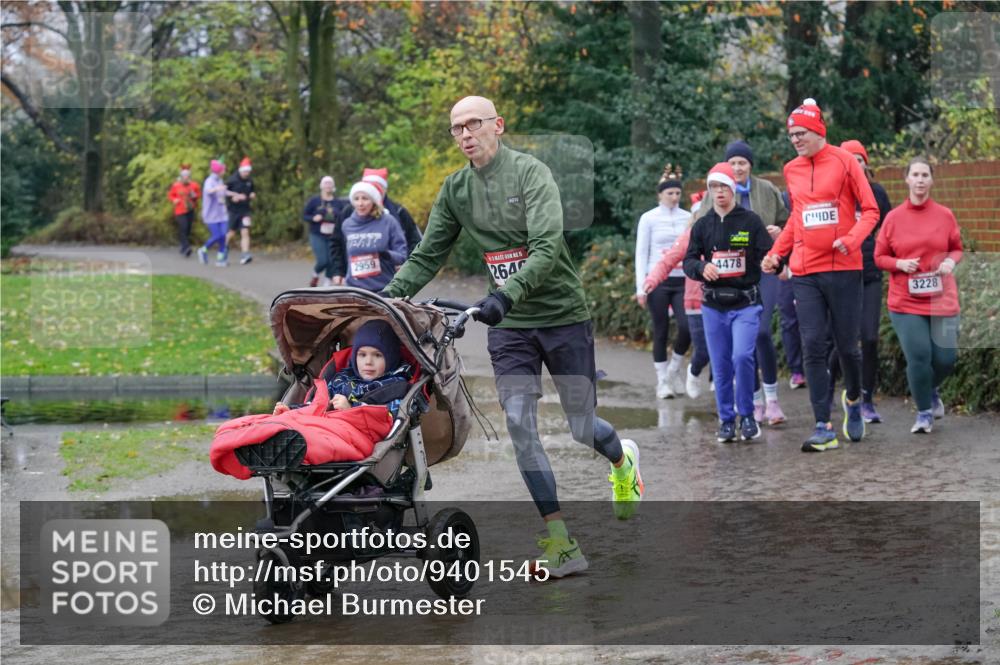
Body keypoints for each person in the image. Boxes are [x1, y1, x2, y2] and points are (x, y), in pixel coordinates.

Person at [381, 95, 643, 578]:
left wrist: (509, 292)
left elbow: (546, 247)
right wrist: (385, 302)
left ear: (497, 126)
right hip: (511, 329)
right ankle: (561, 543)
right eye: (456, 128)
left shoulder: (531, 174)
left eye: (473, 124)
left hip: (562, 315)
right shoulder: (456, 190)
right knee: (521, 426)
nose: (464, 134)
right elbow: (425, 255)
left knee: (583, 427)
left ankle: (621, 459)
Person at [761, 98, 879, 452]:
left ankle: (854, 400)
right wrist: (776, 253)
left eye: (801, 133)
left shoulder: (844, 161)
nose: (795, 139)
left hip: (845, 267)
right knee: (813, 343)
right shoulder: (791, 169)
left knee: (847, 348)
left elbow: (870, 210)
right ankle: (822, 425)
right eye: (791, 135)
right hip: (806, 269)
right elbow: (798, 217)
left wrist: (852, 238)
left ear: (817, 131)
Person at [684, 163, 773, 443]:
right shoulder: (702, 224)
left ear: (733, 188)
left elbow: (768, 254)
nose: (719, 192)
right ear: (709, 191)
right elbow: (688, 261)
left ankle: (747, 415)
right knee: (721, 365)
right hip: (713, 306)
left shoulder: (750, 221)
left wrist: (775, 260)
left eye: (724, 186)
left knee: (742, 357)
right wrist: (702, 269)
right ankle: (726, 420)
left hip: (745, 303)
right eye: (714, 187)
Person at [874, 158, 962, 434]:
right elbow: (879, 257)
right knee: (920, 356)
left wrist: (950, 262)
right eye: (916, 175)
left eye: (925, 175)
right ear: (907, 179)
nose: (921, 179)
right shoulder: (894, 218)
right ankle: (924, 412)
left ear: (932, 180)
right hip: (906, 301)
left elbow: (956, 248)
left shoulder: (945, 215)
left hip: (942, 297)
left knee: (946, 359)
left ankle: (928, 387)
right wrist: (899, 264)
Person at [724, 140, 790, 426]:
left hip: (766, 267)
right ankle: (754, 400)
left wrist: (780, 231)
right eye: (733, 163)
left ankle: (773, 398)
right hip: (735, 274)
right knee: (743, 341)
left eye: (742, 163)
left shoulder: (767, 189)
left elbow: (788, 222)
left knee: (762, 332)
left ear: (750, 165)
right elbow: (700, 226)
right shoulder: (720, 190)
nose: (738, 168)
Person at [827, 140, 893, 423]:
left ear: (865, 163)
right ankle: (828, 389)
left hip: (869, 273)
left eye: (860, 159)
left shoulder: (876, 192)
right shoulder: (836, 193)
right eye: (849, 158)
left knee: (868, 337)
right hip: (841, 274)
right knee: (843, 341)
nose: (855, 163)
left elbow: (891, 227)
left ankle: (866, 400)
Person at [273, 320, 413, 418]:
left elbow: (389, 417)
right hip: (325, 425)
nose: (368, 362)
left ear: (391, 359)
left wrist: (352, 409)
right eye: (362, 355)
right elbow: (316, 405)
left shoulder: (396, 387)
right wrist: (291, 410)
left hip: (357, 435)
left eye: (377, 355)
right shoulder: (341, 379)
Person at [635, 166, 692, 398]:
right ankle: (662, 382)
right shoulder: (648, 218)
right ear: (660, 195)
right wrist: (641, 286)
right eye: (670, 193)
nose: (674, 197)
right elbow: (641, 252)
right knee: (660, 330)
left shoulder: (688, 217)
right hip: (657, 280)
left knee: (687, 328)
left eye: (678, 193)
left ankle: (674, 370)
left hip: (682, 280)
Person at [640, 207, 710, 399]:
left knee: (726, 351)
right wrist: (648, 281)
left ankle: (729, 400)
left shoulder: (728, 229)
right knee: (702, 350)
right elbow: (666, 260)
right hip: (693, 298)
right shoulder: (689, 235)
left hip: (721, 301)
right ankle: (685, 373)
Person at [340, 180, 408, 293]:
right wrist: (339, 274)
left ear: (374, 201)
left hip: (383, 288)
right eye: (356, 199)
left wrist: (386, 254)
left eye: (365, 198)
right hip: (354, 288)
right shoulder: (347, 224)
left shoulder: (388, 221)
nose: (360, 203)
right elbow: (347, 255)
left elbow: (402, 255)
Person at [302, 175, 348, 287]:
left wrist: (337, 216)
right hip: (317, 234)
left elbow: (344, 218)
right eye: (325, 183)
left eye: (330, 183)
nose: (328, 186)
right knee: (323, 260)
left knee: (332, 260)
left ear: (333, 186)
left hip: (333, 235)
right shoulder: (314, 201)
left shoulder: (338, 202)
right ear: (321, 186)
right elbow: (304, 216)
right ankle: (315, 274)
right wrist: (313, 218)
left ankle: (326, 285)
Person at [198, 160, 229, 267]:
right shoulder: (209, 181)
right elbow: (208, 191)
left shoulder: (220, 180)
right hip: (211, 215)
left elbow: (224, 192)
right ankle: (203, 249)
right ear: (218, 171)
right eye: (223, 170)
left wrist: (236, 195)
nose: (224, 171)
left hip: (222, 214)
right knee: (217, 235)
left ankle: (220, 259)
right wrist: (216, 188)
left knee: (224, 235)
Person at [225, 156, 256, 265]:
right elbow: (224, 192)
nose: (246, 174)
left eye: (248, 172)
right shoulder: (232, 180)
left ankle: (245, 254)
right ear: (241, 170)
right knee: (231, 232)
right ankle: (223, 249)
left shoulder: (250, 181)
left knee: (245, 231)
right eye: (245, 172)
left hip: (245, 210)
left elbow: (252, 191)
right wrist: (232, 198)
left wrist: (252, 194)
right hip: (233, 210)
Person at [168, 164, 201, 257]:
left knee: (188, 229)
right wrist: (174, 200)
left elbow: (199, 194)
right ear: (181, 177)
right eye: (184, 176)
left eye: (187, 176)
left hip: (190, 209)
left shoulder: (194, 185)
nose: (186, 178)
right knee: (183, 227)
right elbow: (171, 195)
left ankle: (183, 246)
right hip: (180, 210)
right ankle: (187, 247)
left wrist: (195, 196)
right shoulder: (176, 185)